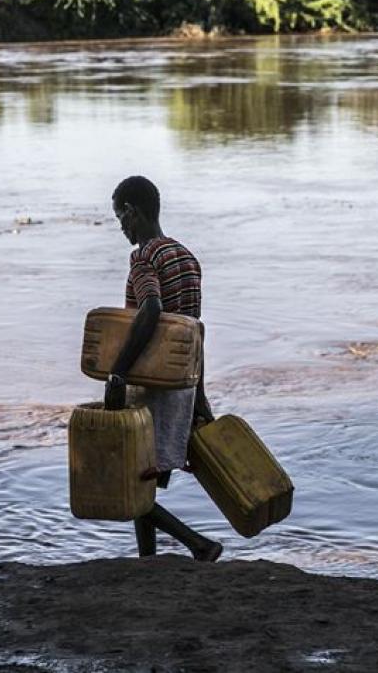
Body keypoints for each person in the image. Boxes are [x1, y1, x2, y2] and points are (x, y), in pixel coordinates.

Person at [104, 175, 222, 562]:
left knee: (131, 478)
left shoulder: (144, 256)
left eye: (120, 219)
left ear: (132, 213)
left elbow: (151, 308)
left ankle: (198, 544)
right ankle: (147, 560)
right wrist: (200, 396)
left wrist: (118, 372)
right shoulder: (186, 256)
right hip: (182, 385)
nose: (122, 228)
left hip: (152, 383)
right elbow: (195, 332)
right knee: (145, 479)